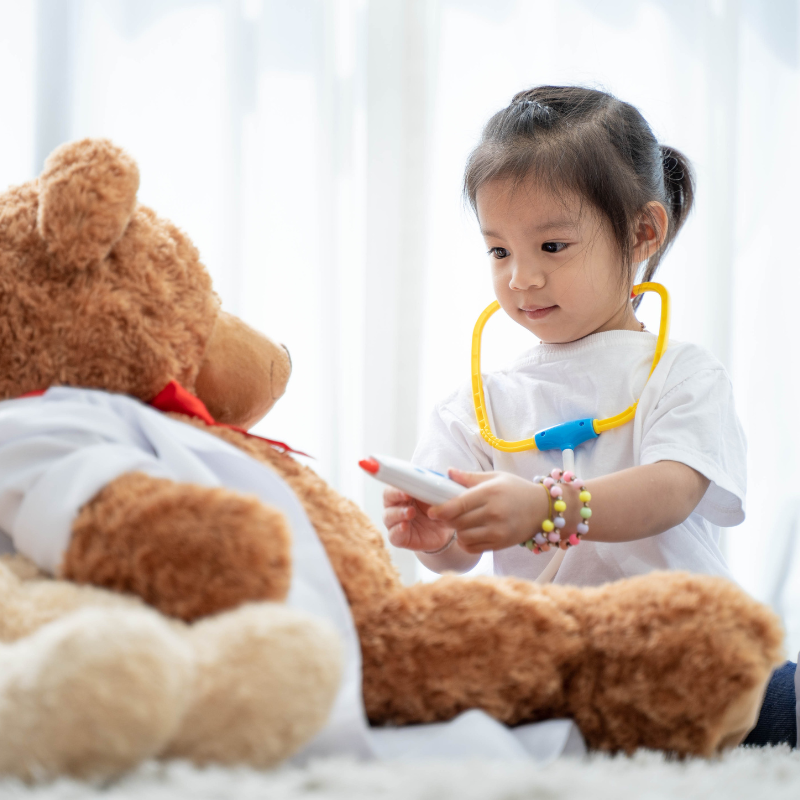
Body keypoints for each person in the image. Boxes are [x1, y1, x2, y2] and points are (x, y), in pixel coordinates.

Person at [382, 85, 796, 747]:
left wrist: (548, 509)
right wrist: (442, 537)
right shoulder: (478, 406)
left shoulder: (681, 374)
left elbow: (671, 489)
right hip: (557, 672)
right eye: (498, 251)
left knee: (782, 701)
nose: (521, 278)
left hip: (681, 664)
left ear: (642, 232)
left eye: (552, 247)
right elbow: (459, 556)